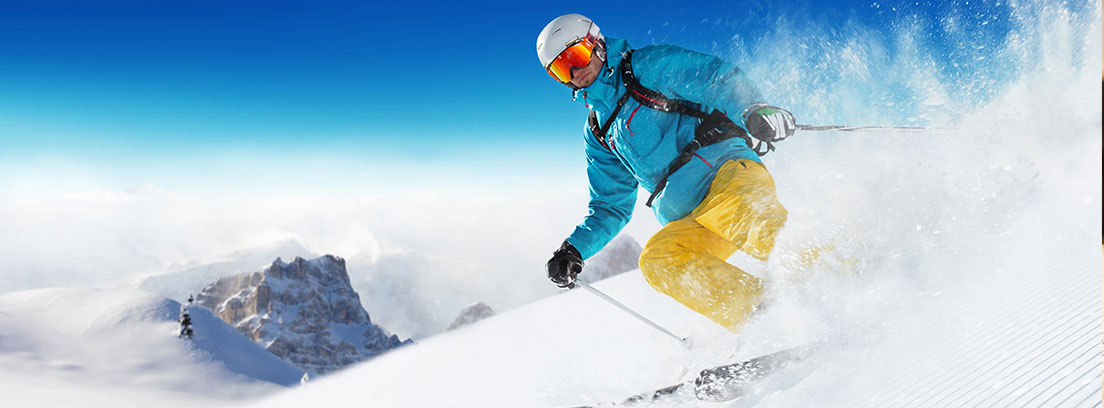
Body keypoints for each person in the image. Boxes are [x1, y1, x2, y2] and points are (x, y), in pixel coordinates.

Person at [538, 14, 796, 332]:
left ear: (596, 44)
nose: (575, 72)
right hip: (693, 216)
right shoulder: (599, 131)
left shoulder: (647, 67)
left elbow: (717, 80)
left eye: (575, 56)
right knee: (659, 260)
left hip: (728, 175)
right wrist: (573, 248)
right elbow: (610, 206)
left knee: (748, 221)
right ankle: (765, 321)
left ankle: (838, 282)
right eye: (561, 69)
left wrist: (754, 108)